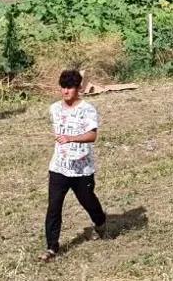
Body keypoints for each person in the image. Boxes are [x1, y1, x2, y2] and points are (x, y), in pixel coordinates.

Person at [41, 69, 108, 262]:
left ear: (78, 88)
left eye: (69, 87)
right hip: (59, 167)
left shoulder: (87, 109)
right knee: (54, 207)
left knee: (88, 201)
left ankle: (100, 221)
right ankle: (52, 247)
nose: (65, 91)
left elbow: (92, 135)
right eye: (63, 87)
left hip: (82, 169)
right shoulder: (54, 109)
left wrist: (71, 138)